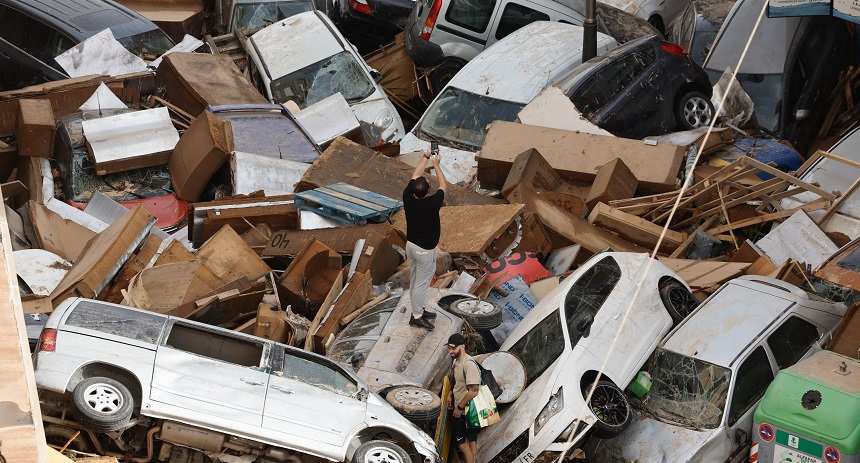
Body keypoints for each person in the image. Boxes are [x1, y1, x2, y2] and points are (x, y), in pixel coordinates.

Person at [402, 150, 447, 330]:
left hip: (411, 246)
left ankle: (418, 309)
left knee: (415, 279)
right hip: (424, 251)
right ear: (427, 191)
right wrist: (436, 165)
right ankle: (417, 316)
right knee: (421, 283)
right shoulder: (432, 203)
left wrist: (426, 157)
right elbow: (444, 186)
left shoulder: (408, 197)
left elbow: (415, 175)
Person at [447, 333, 480, 463]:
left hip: (467, 410)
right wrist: (450, 393)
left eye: (453, 348)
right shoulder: (456, 361)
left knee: (462, 444)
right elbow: (456, 382)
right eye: (449, 348)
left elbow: (474, 391)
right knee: (470, 442)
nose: (450, 351)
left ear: (462, 346)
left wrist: (459, 408)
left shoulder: (469, 364)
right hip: (461, 408)